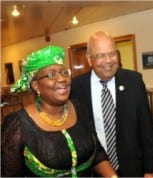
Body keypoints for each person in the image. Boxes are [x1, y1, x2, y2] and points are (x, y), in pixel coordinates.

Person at [1, 45, 117, 177]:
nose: (62, 79)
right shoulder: (18, 124)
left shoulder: (80, 108)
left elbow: (97, 154)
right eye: (51, 74)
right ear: (36, 85)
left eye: (64, 72)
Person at [70, 31, 153, 177]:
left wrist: (150, 170)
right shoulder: (76, 88)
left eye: (112, 54)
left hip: (132, 168)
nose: (108, 60)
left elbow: (146, 129)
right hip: (93, 170)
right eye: (101, 55)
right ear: (89, 59)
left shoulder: (134, 81)